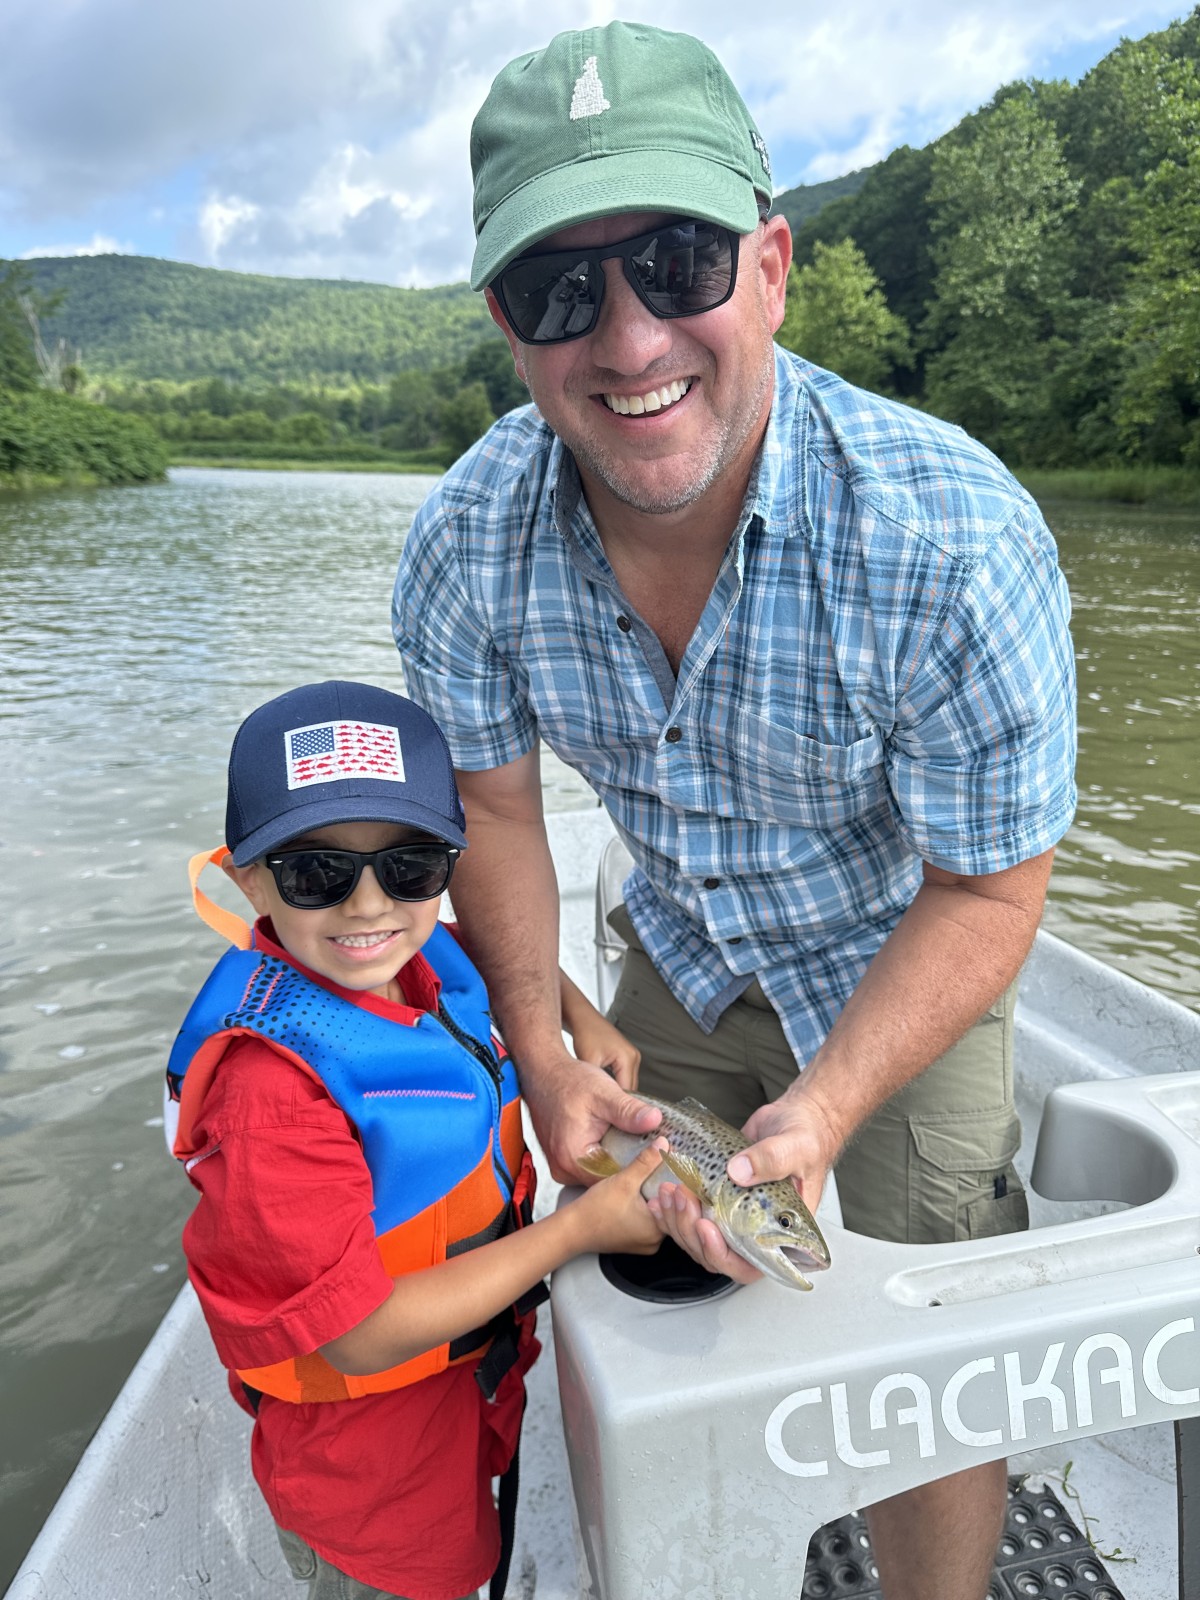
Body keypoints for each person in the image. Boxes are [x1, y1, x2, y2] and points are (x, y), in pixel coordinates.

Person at [392, 22, 1076, 1600]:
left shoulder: (953, 538)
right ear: (510, 327)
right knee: (632, 1290)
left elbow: (988, 893)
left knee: (929, 1352)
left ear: (771, 266)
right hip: (683, 957)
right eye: (563, 291)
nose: (628, 340)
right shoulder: (461, 545)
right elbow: (493, 814)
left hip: (905, 954)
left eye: (678, 262)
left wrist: (827, 1110)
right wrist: (542, 1052)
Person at [165, 679, 661, 1600]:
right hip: (371, 1487)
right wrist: (576, 1233)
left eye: (411, 866)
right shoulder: (272, 1096)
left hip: (465, 1405)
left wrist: (577, 1022)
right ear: (248, 877)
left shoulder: (421, 948)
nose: (367, 908)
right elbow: (357, 1336)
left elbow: (486, 946)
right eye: (316, 872)